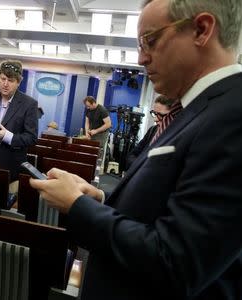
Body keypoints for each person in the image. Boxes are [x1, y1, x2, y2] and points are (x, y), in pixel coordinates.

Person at [30, 0, 242, 299]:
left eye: (150, 41)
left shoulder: (232, 115)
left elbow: (175, 261)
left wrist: (78, 206)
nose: (141, 58)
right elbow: (167, 204)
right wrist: (101, 198)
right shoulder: (196, 110)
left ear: (202, 30)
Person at [0, 60, 38, 193]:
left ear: (18, 82)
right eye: (3, 78)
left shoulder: (29, 104)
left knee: (0, 208)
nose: (5, 84)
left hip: (7, 166)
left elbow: (31, 138)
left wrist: (8, 137)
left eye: (11, 80)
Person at [126, 95, 174, 169]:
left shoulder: (178, 137)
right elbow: (132, 155)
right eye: (154, 114)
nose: (155, 119)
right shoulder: (153, 130)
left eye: (161, 115)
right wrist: (141, 167)